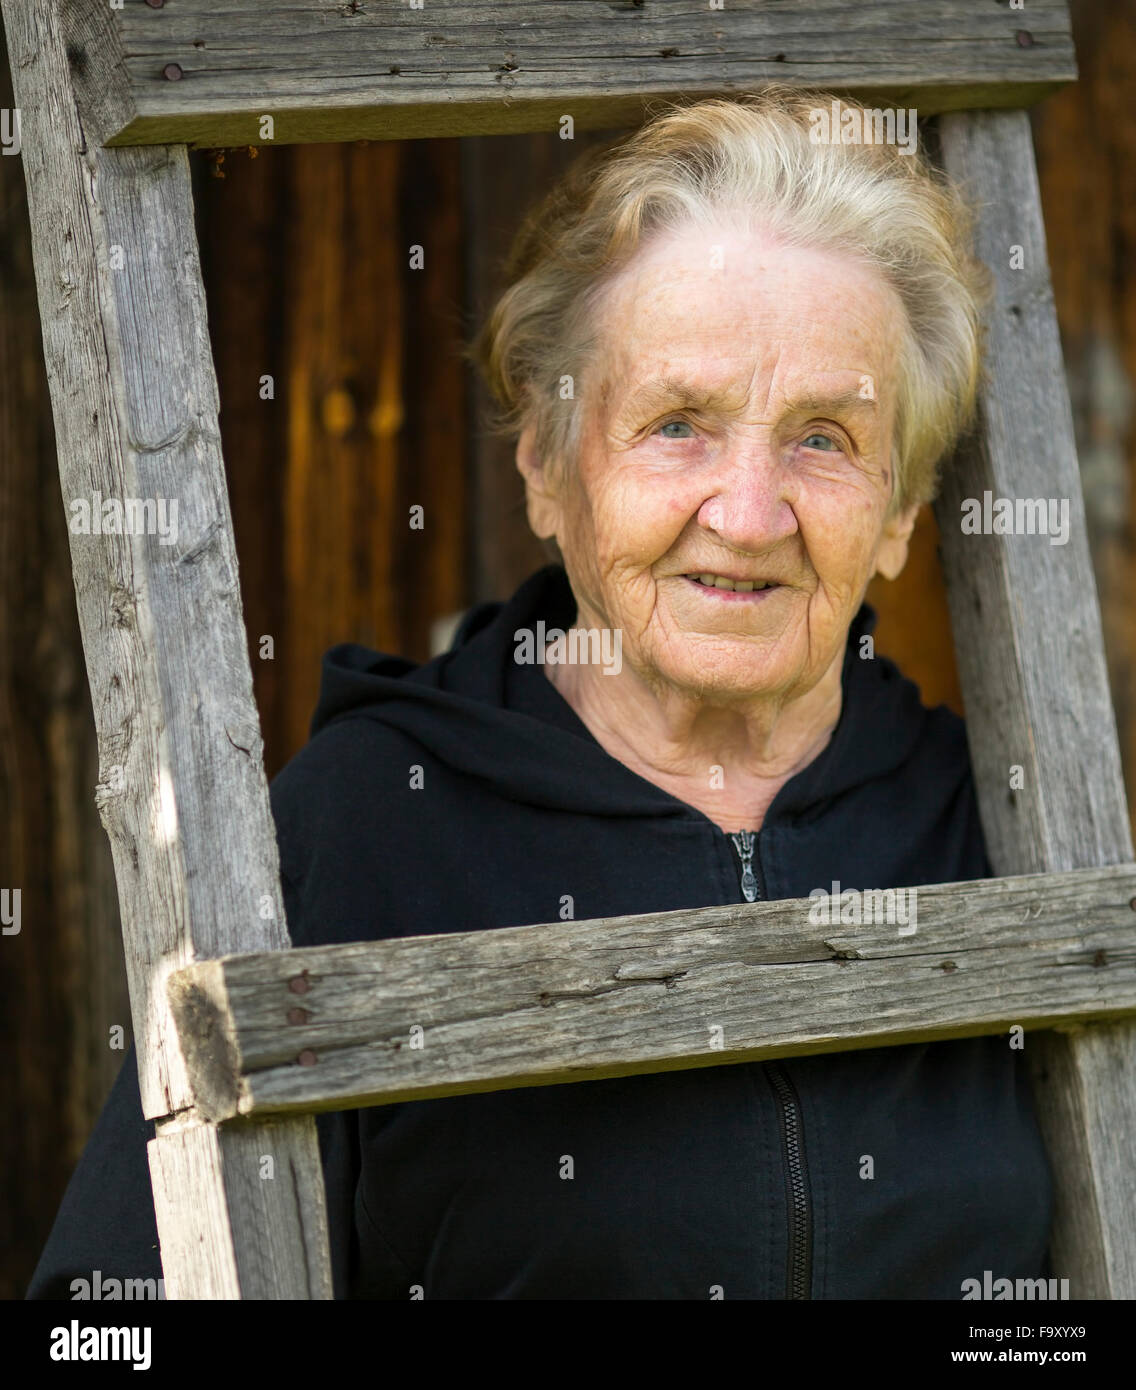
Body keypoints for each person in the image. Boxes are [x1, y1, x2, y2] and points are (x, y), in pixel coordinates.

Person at [28, 87, 1052, 1300]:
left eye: (823, 437)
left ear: (897, 513)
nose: (747, 511)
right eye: (677, 424)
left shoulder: (997, 816)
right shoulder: (360, 828)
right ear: (544, 470)